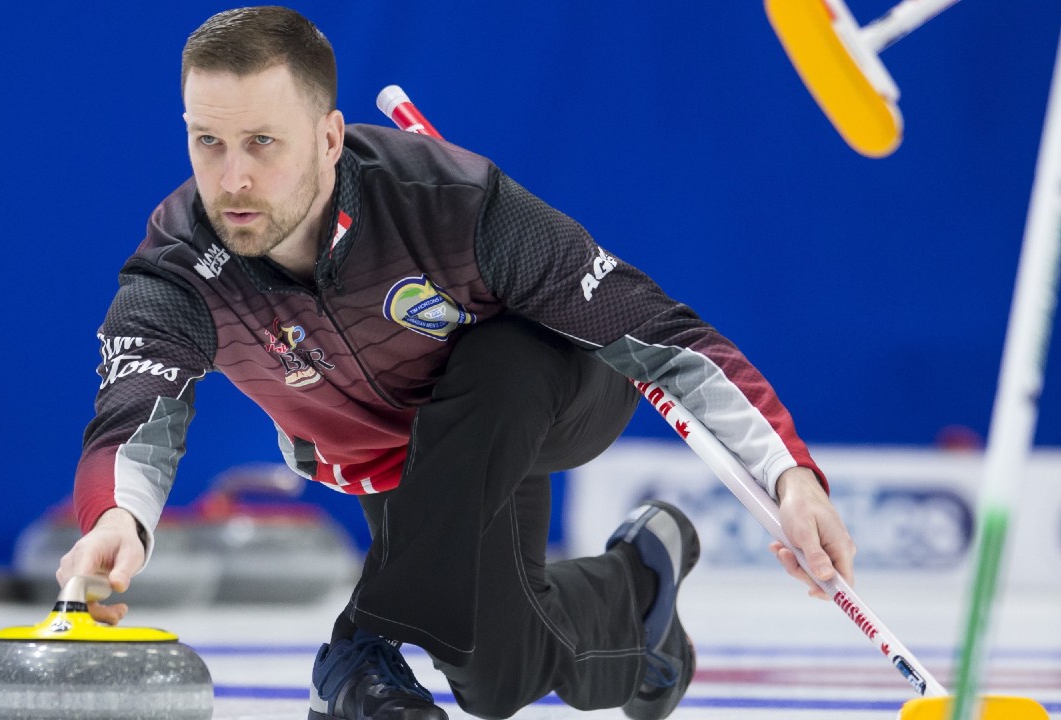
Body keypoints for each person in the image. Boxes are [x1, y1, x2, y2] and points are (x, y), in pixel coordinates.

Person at [56, 6, 857, 720]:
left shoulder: (452, 204)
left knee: (500, 356)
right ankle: (638, 593)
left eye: (263, 142)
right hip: (402, 455)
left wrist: (787, 476)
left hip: (546, 391)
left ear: (329, 138)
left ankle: (360, 644)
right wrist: (118, 518)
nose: (233, 179)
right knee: (493, 677)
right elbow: (135, 410)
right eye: (209, 141)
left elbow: (659, 332)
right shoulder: (180, 269)